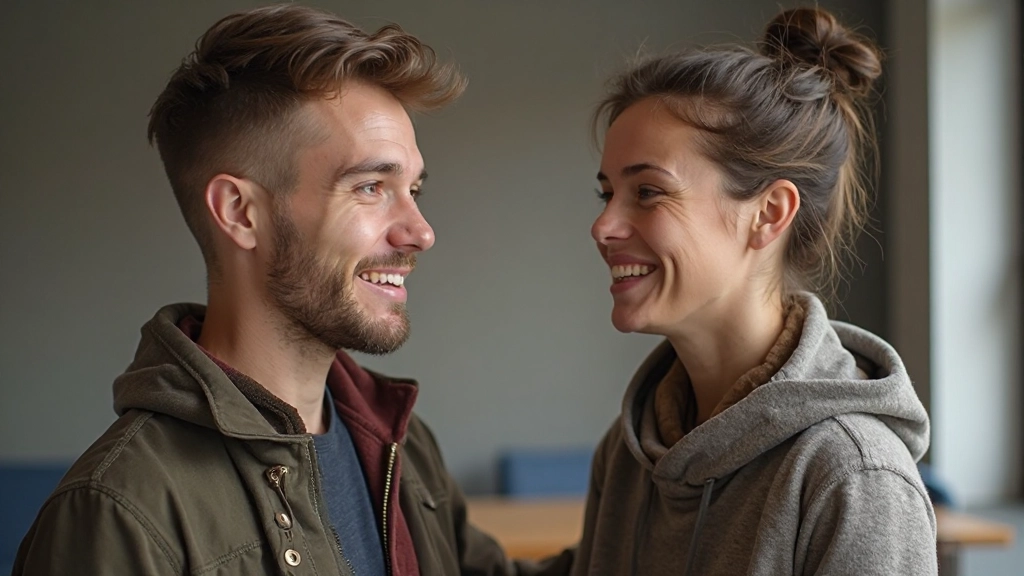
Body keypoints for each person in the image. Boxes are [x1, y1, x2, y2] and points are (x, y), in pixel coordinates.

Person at [12, 4, 535, 575]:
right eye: (369, 187)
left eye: (413, 188)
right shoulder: (118, 512)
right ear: (239, 212)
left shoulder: (398, 447)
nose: (421, 232)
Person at [578, 7, 935, 575]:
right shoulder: (626, 456)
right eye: (607, 195)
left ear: (769, 214)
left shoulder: (854, 477)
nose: (604, 227)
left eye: (647, 192)